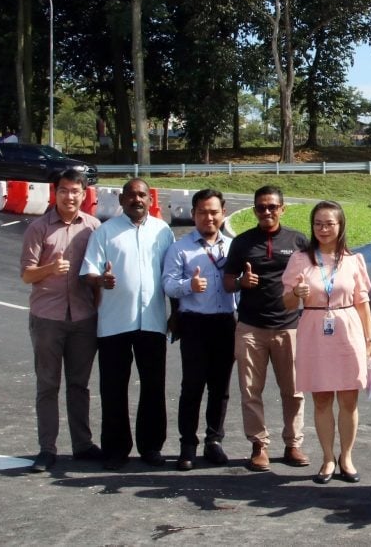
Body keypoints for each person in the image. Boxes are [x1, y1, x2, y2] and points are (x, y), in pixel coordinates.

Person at [282, 201, 371, 484]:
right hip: (314, 330)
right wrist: (297, 293)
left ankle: (346, 457)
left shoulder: (353, 260)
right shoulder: (300, 259)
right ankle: (327, 458)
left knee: (349, 400)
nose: (323, 229)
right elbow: (287, 303)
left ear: (340, 226)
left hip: (347, 329)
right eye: (318, 224)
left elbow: (363, 305)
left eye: (329, 224)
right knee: (322, 398)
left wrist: (370, 342)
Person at [81, 178, 175, 470]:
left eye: (142, 195)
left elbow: (171, 275)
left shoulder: (163, 232)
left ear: (150, 200)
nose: (137, 200)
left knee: (153, 387)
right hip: (114, 324)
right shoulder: (105, 232)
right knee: (113, 388)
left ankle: (151, 447)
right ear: (121, 200)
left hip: (153, 322)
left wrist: (177, 313)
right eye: (131, 195)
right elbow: (88, 273)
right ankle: (115, 449)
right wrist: (101, 280)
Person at [19, 169, 102, 472]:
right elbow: (27, 274)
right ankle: (47, 448)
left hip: (83, 317)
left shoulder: (93, 228)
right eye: (64, 190)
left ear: (84, 195)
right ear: (56, 193)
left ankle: (82, 445)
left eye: (76, 191)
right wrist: (50, 269)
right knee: (48, 385)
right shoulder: (38, 228)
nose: (70, 197)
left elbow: (97, 275)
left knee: (79, 385)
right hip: (47, 317)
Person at [223, 185, 310, 471]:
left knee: (295, 390)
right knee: (250, 391)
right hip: (251, 327)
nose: (267, 212)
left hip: (290, 327)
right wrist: (240, 284)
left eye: (272, 207)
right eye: (261, 207)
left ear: (282, 209)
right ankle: (259, 445)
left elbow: (313, 278)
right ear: (254, 210)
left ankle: (293, 444)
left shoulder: (298, 240)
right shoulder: (243, 242)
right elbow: (227, 281)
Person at [162, 189, 237, 471]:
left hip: (225, 322)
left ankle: (214, 441)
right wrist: (188, 287)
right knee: (192, 386)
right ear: (193, 214)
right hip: (194, 322)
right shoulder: (180, 248)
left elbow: (239, 286)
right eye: (203, 212)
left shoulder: (232, 247)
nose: (209, 217)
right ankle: (187, 445)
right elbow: (168, 284)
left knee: (221, 387)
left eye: (214, 212)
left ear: (223, 213)